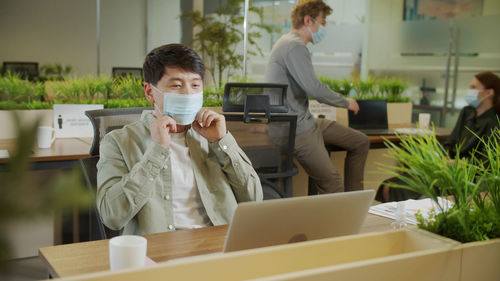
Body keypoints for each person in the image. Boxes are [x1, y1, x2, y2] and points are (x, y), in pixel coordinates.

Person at [96, 44, 263, 235]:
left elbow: (254, 199)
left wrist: (222, 142)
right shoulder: (118, 141)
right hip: (159, 251)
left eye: (195, 85)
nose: (187, 94)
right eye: (176, 85)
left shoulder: (212, 135)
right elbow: (111, 217)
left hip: (219, 244)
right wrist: (157, 150)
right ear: (150, 92)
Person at [265, 0, 370, 194]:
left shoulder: (289, 44)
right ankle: (338, 220)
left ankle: (355, 200)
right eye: (323, 21)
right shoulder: (293, 47)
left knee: (361, 142)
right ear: (308, 20)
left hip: (305, 121)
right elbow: (315, 90)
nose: (324, 27)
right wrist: (346, 102)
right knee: (332, 183)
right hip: (294, 128)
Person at [376, 71, 500, 202]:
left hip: (465, 175)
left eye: (474, 87)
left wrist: (458, 164)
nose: (470, 91)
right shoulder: (467, 112)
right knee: (389, 185)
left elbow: (486, 162)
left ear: (488, 93)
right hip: (446, 166)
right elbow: (451, 141)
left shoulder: (495, 122)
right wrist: (444, 157)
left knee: (402, 187)